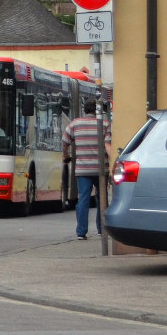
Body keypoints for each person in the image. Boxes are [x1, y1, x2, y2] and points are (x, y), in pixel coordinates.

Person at [64, 98, 113, 240]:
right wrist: (113, 160)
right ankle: (101, 229)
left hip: (82, 169)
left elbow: (65, 140)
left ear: (85, 110)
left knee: (83, 199)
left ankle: (81, 232)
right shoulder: (105, 124)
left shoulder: (75, 124)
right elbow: (107, 145)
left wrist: (65, 156)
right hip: (101, 170)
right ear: (98, 111)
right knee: (102, 199)